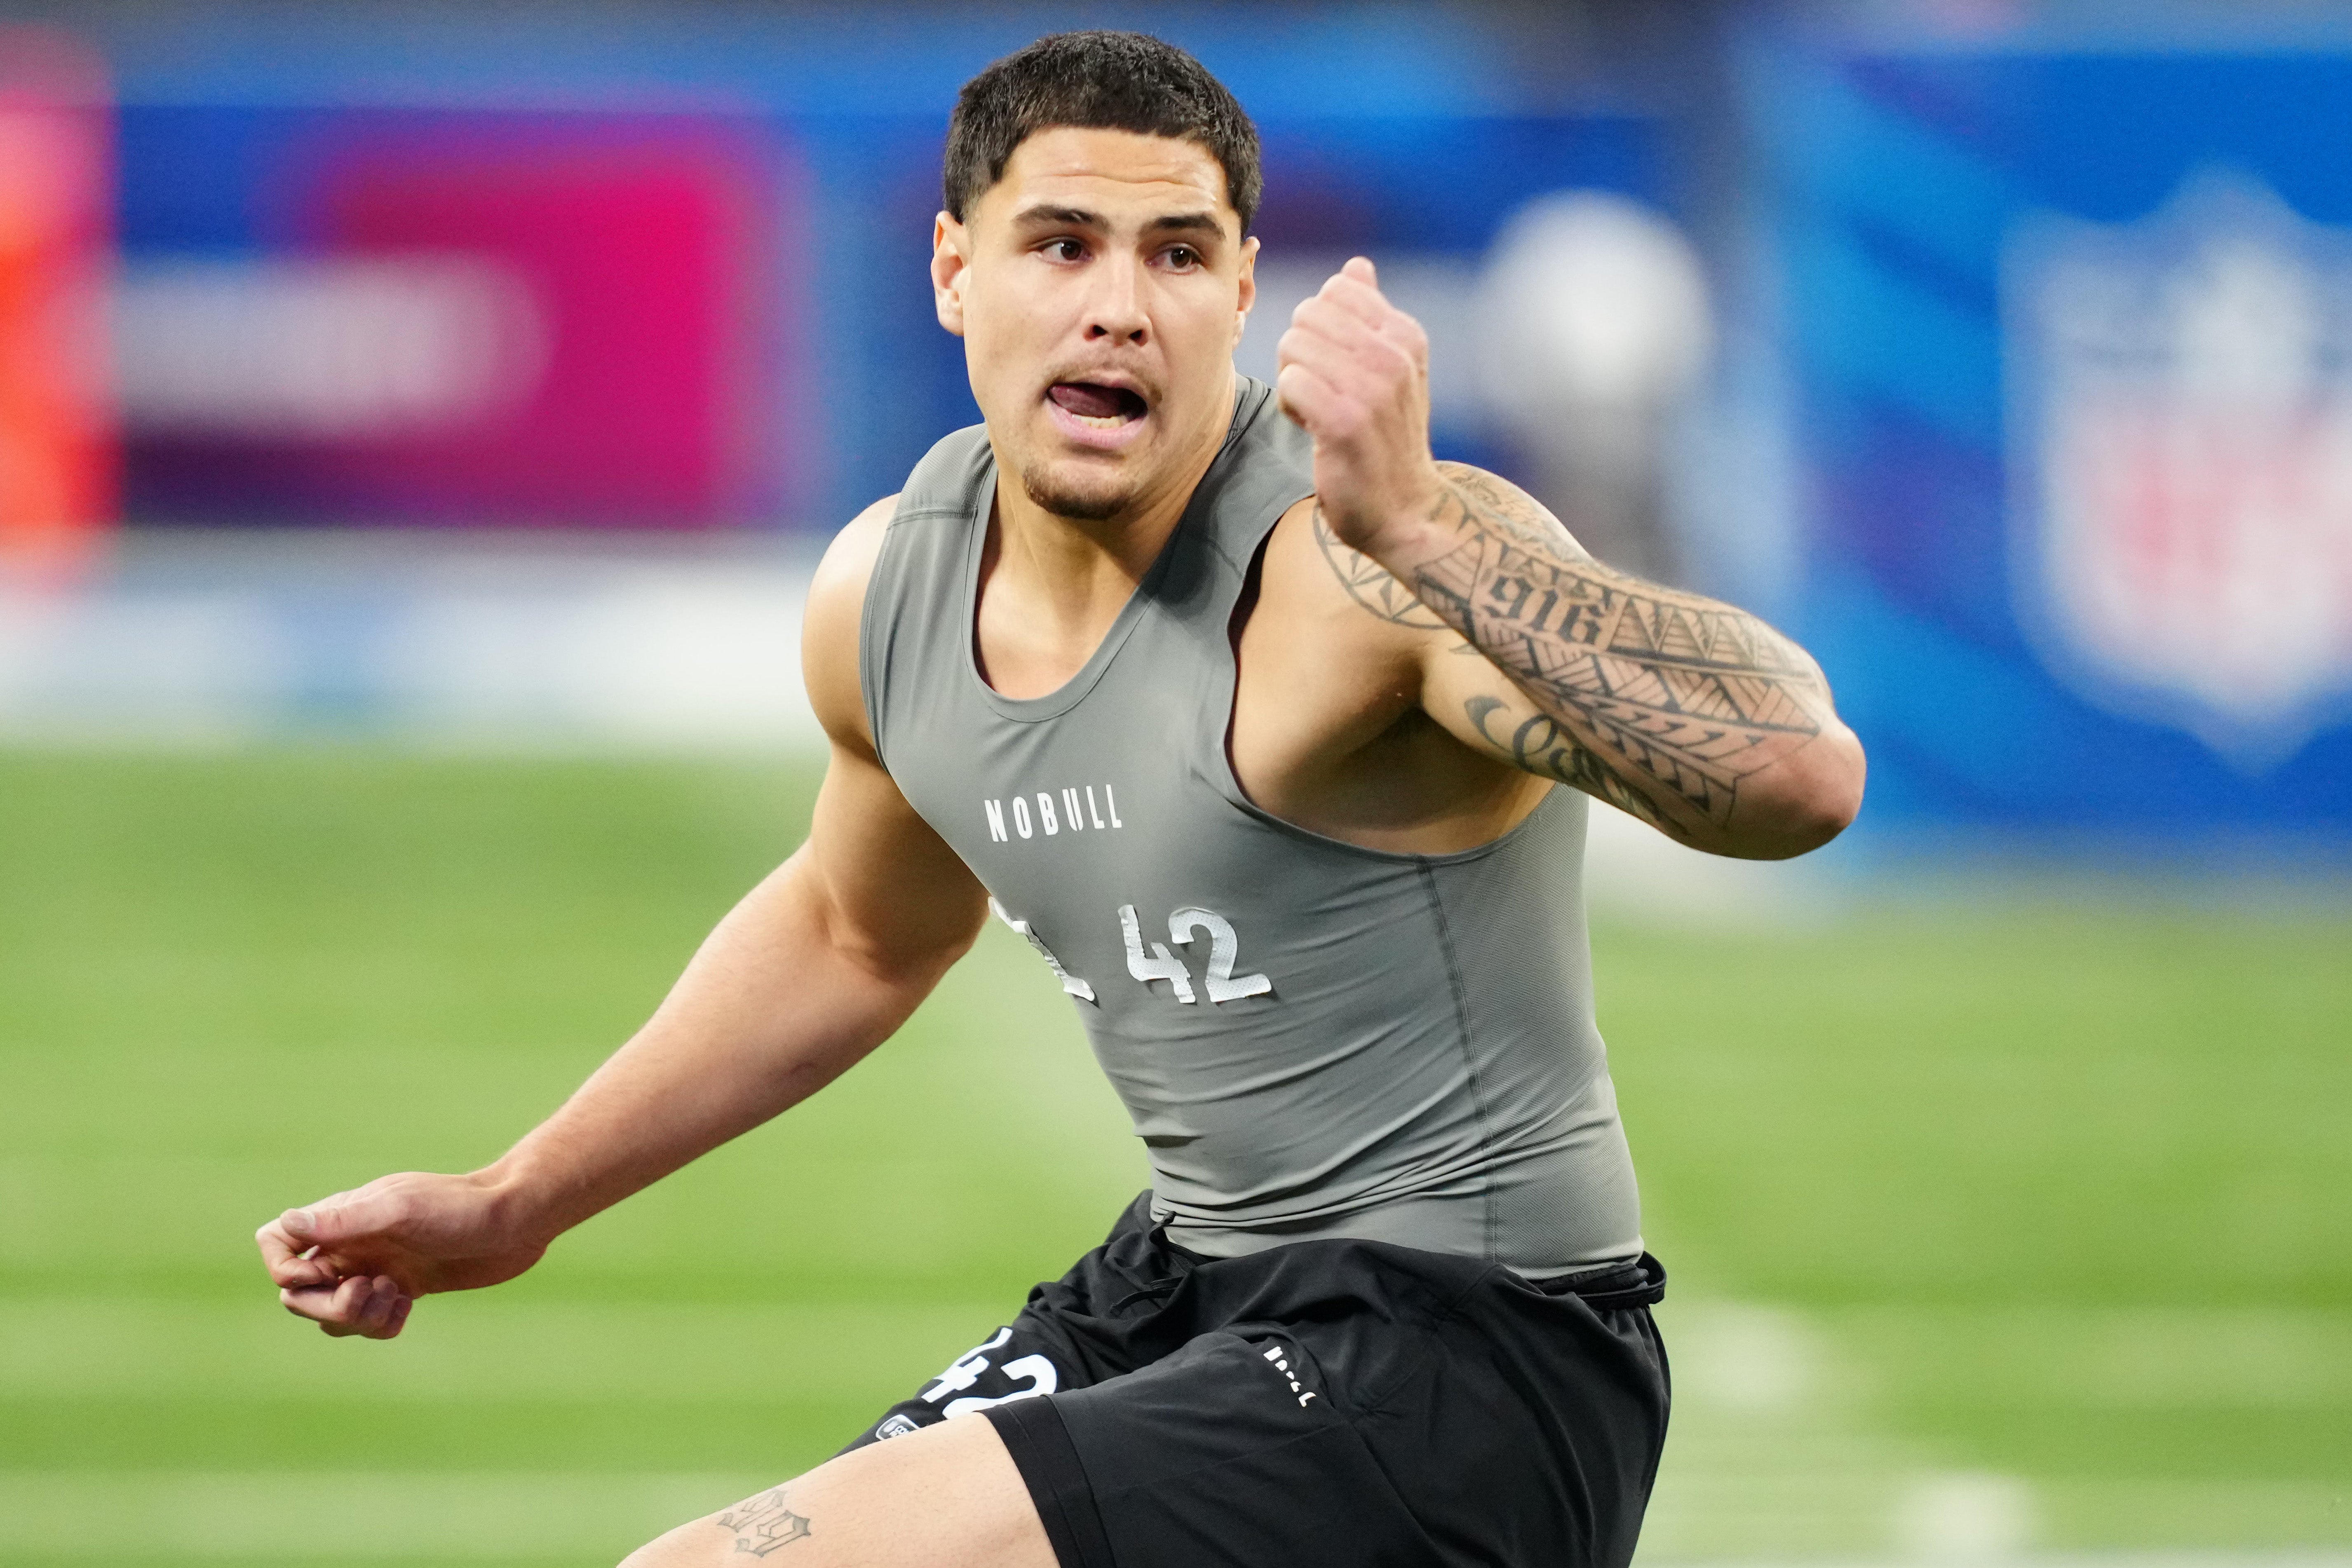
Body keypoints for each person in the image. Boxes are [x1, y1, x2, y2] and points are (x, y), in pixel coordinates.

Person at [255, 31, 1864, 1568]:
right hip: (1185, 1287)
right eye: (1061, 245)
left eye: (1175, 255)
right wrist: (515, 1199)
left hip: (1465, 1364)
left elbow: (1792, 774)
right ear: (955, 268)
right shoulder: (893, 589)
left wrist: (1430, 538)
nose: (1118, 309)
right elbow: (854, 931)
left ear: (1244, 290)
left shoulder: (1359, 570)